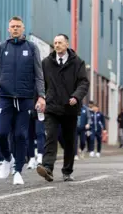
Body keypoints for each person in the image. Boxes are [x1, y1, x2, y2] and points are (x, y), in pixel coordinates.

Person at [0, 16, 45, 185]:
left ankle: (18, 171)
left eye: (18, 26)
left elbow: (39, 75)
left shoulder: (32, 48)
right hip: (5, 98)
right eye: (12, 26)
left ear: (23, 28)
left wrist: (41, 96)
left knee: (21, 135)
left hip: (25, 98)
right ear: (8, 29)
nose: (15, 29)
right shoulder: (1, 47)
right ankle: (7, 158)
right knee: (1, 134)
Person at [36, 34, 88, 182]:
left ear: (66, 44)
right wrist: (40, 99)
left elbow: (83, 83)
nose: (57, 45)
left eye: (60, 43)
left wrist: (76, 96)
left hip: (69, 107)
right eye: (55, 43)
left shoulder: (77, 62)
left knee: (69, 141)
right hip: (51, 107)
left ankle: (67, 171)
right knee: (50, 136)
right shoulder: (46, 63)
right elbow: (40, 83)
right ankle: (47, 168)